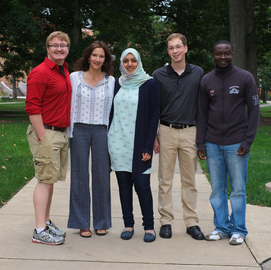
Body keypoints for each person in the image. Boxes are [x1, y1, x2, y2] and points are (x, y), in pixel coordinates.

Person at [196, 40, 260, 245]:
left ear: (232, 54)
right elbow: (202, 114)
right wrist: (200, 143)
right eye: (218, 54)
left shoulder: (245, 78)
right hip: (212, 143)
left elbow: (255, 111)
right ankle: (221, 227)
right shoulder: (206, 80)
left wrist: (247, 141)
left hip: (237, 143)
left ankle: (239, 230)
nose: (222, 57)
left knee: (238, 188)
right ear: (213, 55)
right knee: (217, 189)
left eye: (226, 54)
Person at [152, 33, 205, 240]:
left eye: (178, 47)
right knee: (164, 180)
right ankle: (166, 221)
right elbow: (154, 107)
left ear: (185, 48)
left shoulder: (198, 73)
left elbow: (203, 106)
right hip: (165, 131)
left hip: (190, 132)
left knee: (189, 180)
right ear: (168, 51)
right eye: (171, 48)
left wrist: (202, 137)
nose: (175, 51)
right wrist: (154, 135)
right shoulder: (159, 75)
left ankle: (191, 222)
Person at [108, 48, 160, 243]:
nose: (130, 64)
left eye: (133, 61)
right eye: (126, 61)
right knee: (123, 187)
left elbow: (154, 116)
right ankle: (128, 225)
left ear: (139, 62)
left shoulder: (149, 84)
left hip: (139, 145)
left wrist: (147, 146)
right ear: (121, 63)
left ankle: (149, 227)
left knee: (142, 187)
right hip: (117, 142)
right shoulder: (117, 84)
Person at [26, 31, 72, 245]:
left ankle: (45, 221)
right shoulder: (40, 72)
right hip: (45, 132)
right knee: (45, 180)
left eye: (63, 45)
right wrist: (43, 137)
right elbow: (32, 107)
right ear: (47, 48)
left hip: (59, 132)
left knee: (50, 180)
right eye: (55, 45)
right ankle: (39, 230)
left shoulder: (63, 70)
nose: (59, 48)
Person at [67, 41, 114, 238]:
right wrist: (68, 131)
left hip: (102, 130)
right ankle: (82, 222)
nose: (97, 59)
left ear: (105, 60)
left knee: (102, 176)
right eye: (94, 55)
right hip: (79, 128)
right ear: (88, 57)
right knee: (79, 176)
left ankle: (102, 221)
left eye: (101, 56)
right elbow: (68, 104)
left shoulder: (111, 81)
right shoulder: (74, 77)